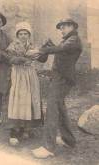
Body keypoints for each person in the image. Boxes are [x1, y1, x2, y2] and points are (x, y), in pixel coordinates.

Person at [31, 19, 83, 158]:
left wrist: (40, 50)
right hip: (60, 78)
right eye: (60, 28)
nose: (62, 29)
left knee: (52, 109)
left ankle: (48, 147)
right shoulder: (67, 40)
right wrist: (50, 46)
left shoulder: (74, 40)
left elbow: (61, 49)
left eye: (64, 27)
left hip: (63, 79)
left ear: (73, 26)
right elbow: (61, 52)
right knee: (60, 106)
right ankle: (68, 139)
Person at [0, 22, 45, 146]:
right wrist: (26, 59)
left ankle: (23, 128)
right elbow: (10, 59)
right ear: (17, 35)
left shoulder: (32, 46)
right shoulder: (13, 46)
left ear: (29, 35)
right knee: (16, 102)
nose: (23, 36)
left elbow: (42, 58)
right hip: (17, 76)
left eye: (26, 34)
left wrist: (43, 52)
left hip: (30, 75)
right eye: (21, 34)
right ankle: (13, 133)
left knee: (28, 101)